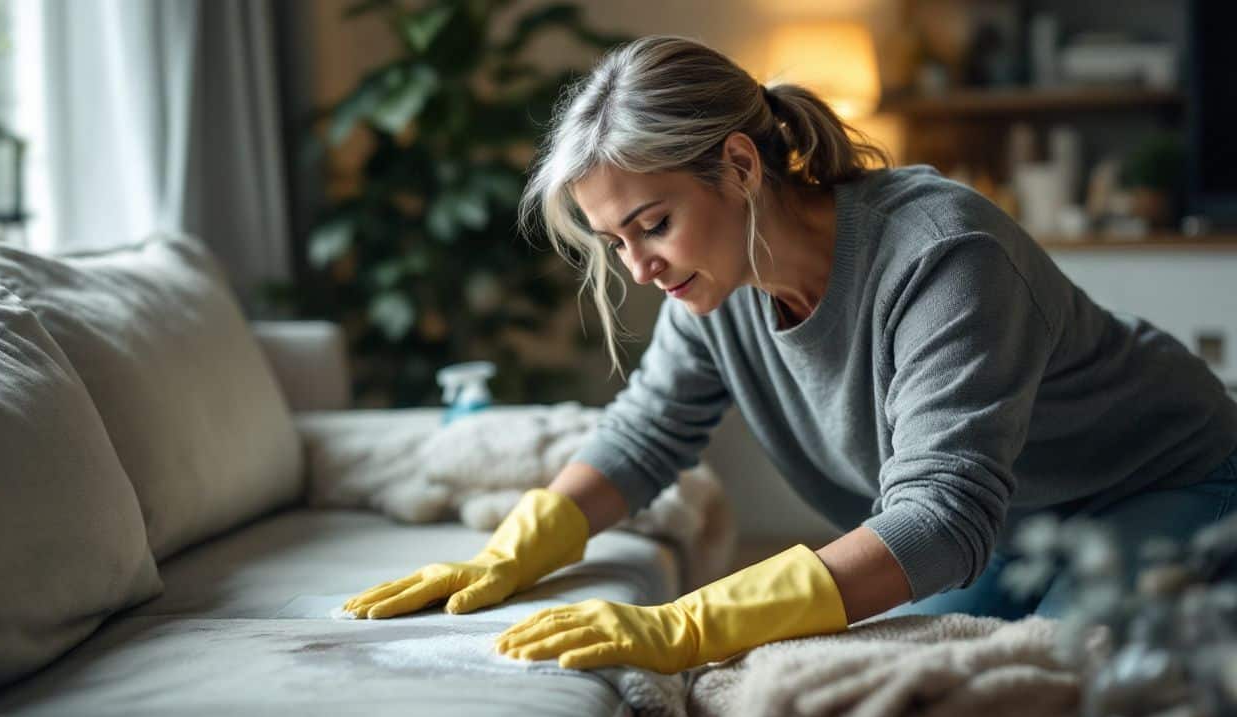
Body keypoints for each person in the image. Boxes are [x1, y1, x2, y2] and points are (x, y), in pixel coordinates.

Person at [342, 35, 1237, 675]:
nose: (639, 265)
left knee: (1061, 678)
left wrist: (691, 624)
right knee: (911, 676)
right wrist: (511, 552)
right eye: (616, 242)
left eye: (652, 225)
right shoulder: (714, 285)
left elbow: (939, 520)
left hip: (1167, 479)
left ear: (738, 167)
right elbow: (645, 435)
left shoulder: (944, 255)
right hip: (1016, 522)